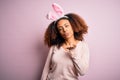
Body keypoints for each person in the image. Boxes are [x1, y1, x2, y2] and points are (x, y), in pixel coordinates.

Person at [41, 12, 89, 80]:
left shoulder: (83, 46)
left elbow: (82, 72)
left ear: (73, 26)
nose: (64, 30)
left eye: (66, 26)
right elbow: (46, 68)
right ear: (58, 33)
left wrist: (74, 53)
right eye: (60, 29)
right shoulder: (55, 46)